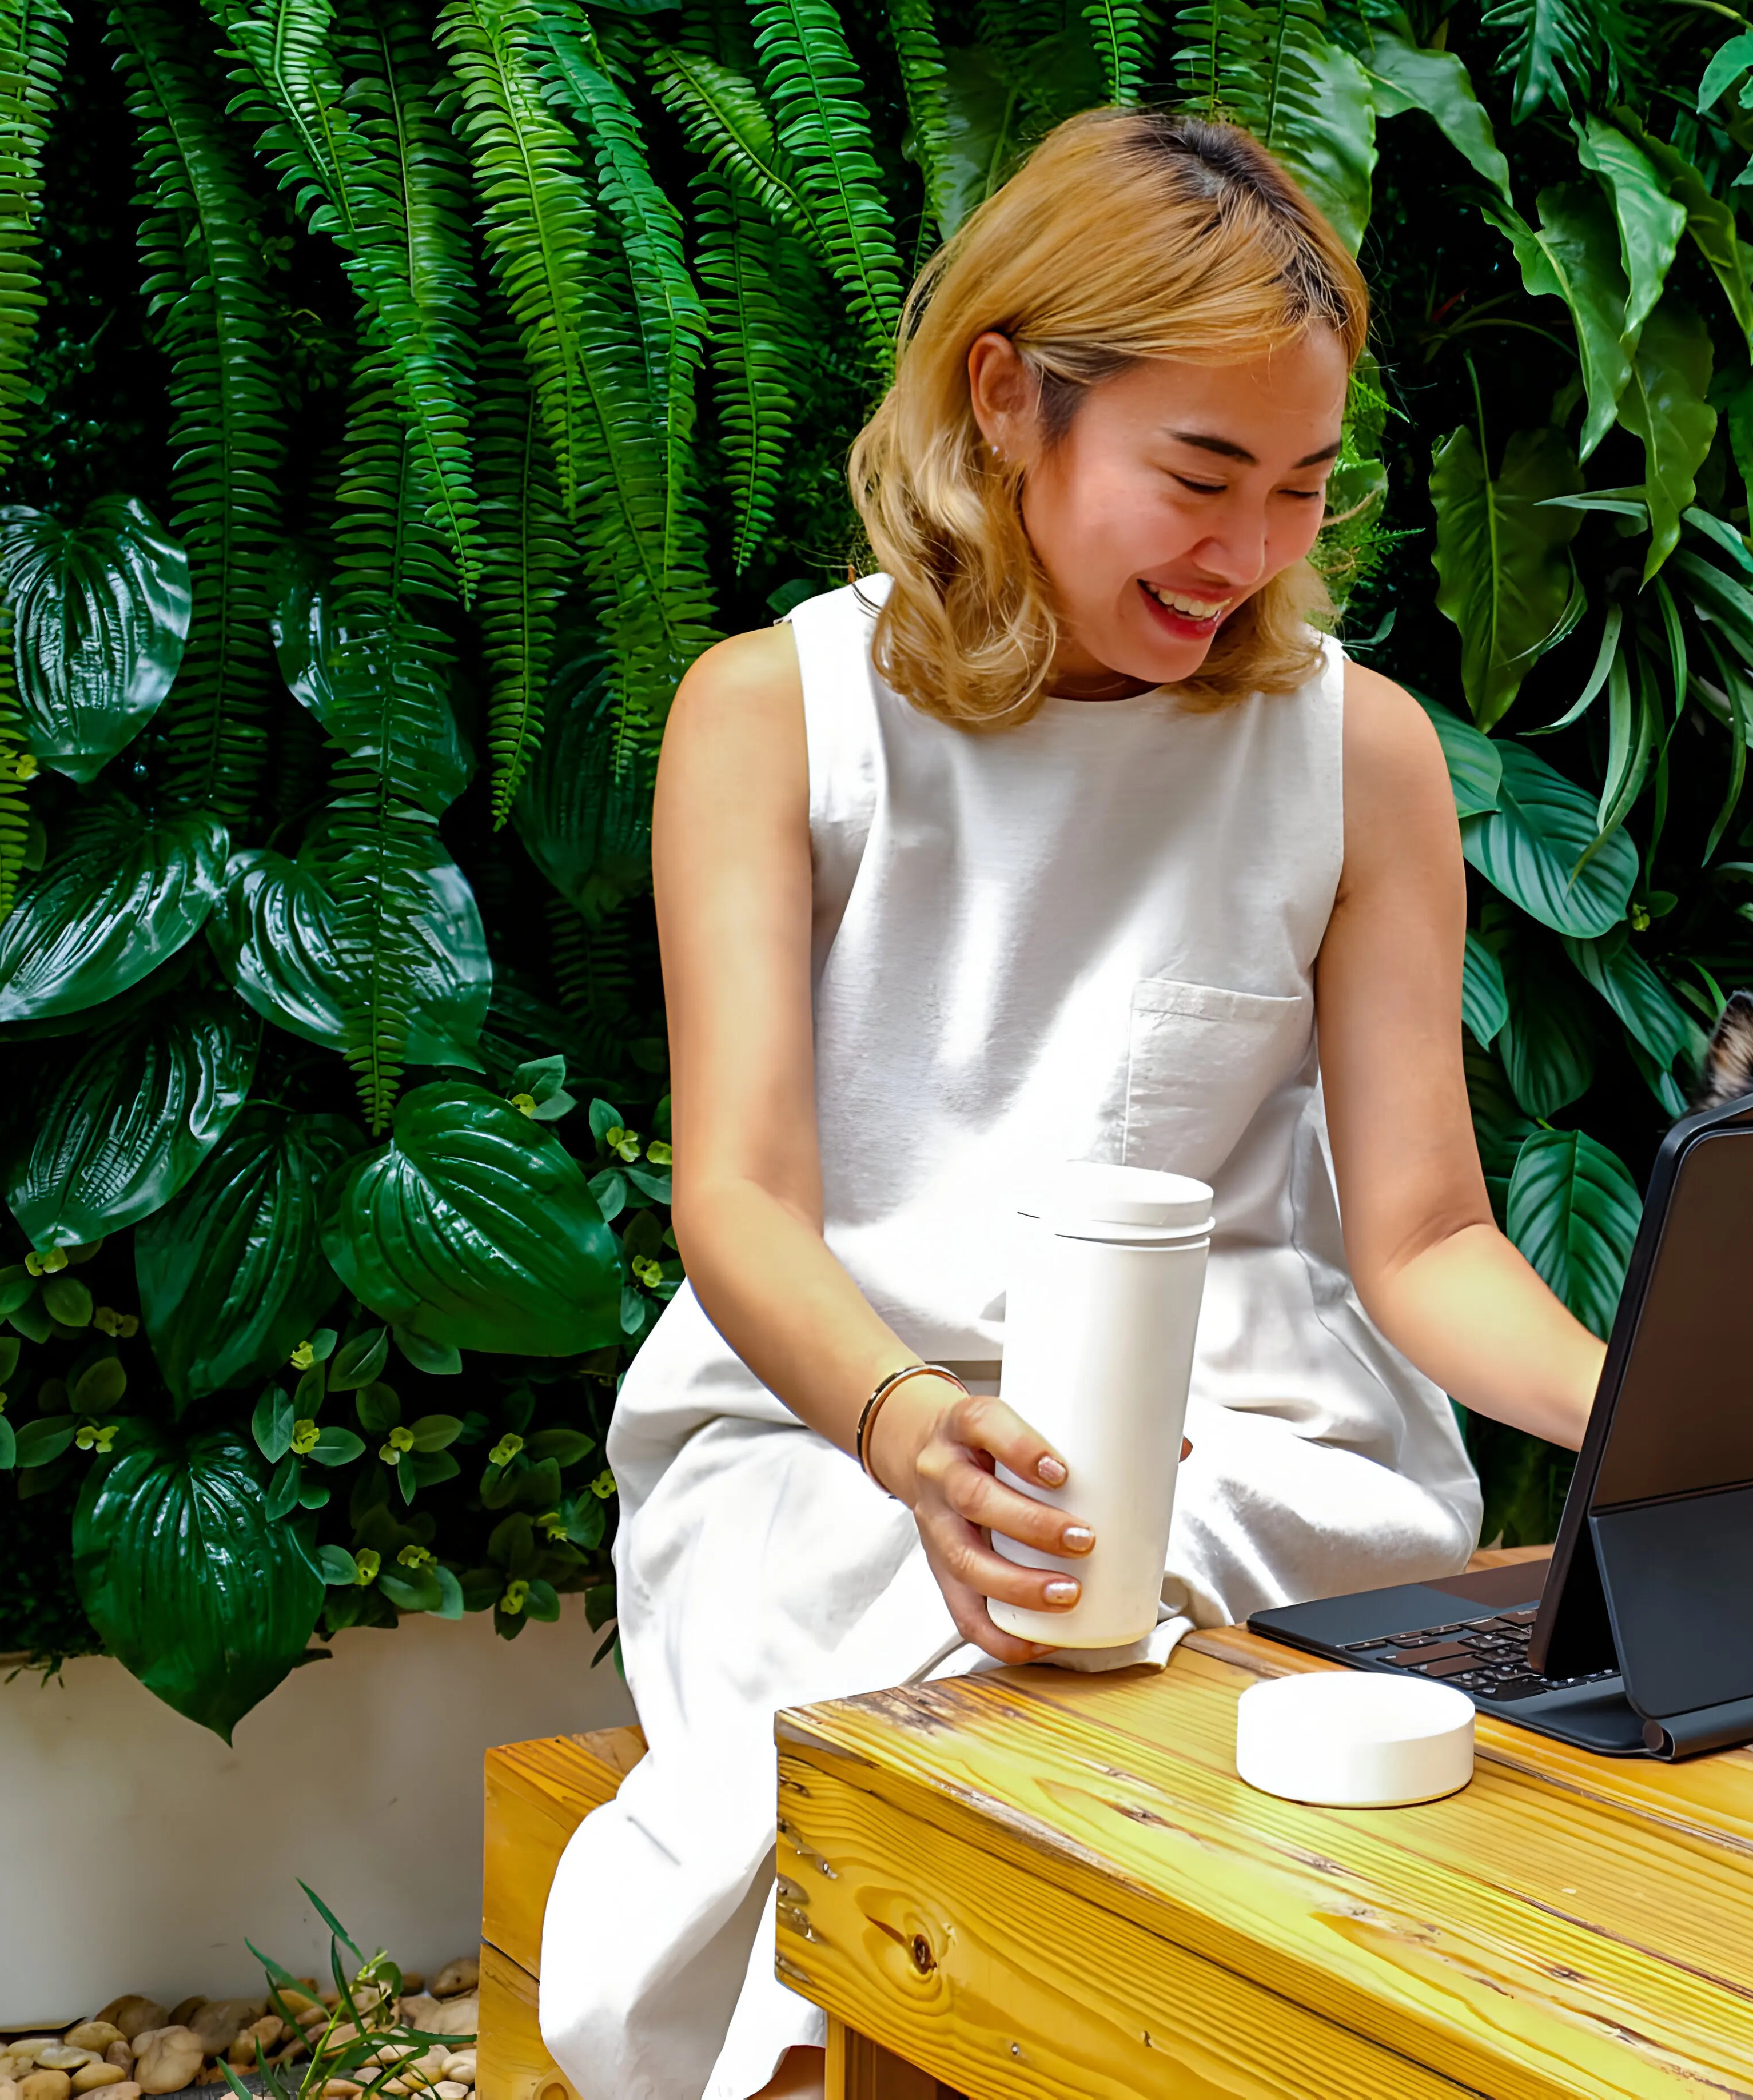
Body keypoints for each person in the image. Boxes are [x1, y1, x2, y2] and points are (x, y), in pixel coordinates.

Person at [535, 107, 1614, 2100]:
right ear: (1007, 398)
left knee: (1186, 1638)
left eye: (1302, 489)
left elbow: (1430, 1237)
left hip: (1258, 1457)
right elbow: (747, 1205)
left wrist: (1652, 1415)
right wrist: (917, 1431)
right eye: (1200, 476)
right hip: (837, 1439)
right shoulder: (775, 720)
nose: (1251, 553)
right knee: (973, 1714)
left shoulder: (1354, 754)